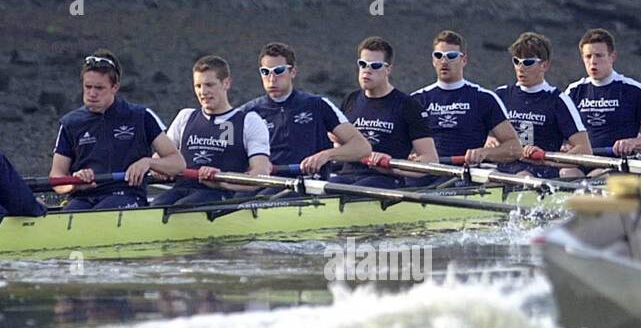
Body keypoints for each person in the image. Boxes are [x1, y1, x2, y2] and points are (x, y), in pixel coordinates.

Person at [50, 50, 185, 211]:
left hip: (126, 194)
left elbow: (178, 163)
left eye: (99, 88)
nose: (92, 93)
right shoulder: (70, 123)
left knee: (102, 212)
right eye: (88, 87)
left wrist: (148, 162)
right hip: (83, 197)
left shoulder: (140, 116)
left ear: (115, 87)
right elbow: (56, 177)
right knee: (72, 211)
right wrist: (74, 183)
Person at [152, 55, 272, 206]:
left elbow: (261, 174)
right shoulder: (185, 117)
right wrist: (156, 164)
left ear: (226, 83)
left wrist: (222, 181)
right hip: (183, 188)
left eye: (210, 85)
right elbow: (162, 157)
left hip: (221, 193)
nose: (203, 92)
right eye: (198, 86)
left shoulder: (249, 121)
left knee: (182, 208)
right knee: (155, 205)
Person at [238, 42, 371, 174]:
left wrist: (326, 155)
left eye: (279, 71)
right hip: (266, 181)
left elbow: (362, 147)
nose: (272, 79)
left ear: (293, 72)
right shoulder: (247, 112)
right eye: (265, 72)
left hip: (308, 183)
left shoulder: (318, 105)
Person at [335, 36, 439, 188]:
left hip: (385, 179)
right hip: (347, 175)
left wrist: (391, 165)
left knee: (357, 189)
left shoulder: (408, 106)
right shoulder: (350, 100)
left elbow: (430, 160)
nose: (367, 71)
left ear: (388, 69)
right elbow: (338, 145)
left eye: (375, 65)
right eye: (363, 64)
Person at [411, 30, 522, 165]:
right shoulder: (416, 100)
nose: (444, 61)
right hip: (425, 174)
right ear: (433, 60)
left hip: (465, 176)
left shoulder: (483, 98)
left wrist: (484, 153)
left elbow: (515, 147)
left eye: (451, 56)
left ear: (464, 60)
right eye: (439, 55)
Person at [491, 31, 589, 179]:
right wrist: (488, 140)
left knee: (523, 176)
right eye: (516, 61)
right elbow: (479, 135)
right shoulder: (501, 95)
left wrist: (545, 157)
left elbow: (585, 150)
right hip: (505, 168)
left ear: (544, 65)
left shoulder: (558, 100)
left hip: (542, 171)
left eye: (528, 62)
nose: (520, 68)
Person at [565, 28, 641, 157]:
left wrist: (633, 143)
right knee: (566, 173)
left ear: (612, 57)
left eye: (599, 55)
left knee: (595, 176)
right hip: (581, 160)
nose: (593, 62)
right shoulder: (573, 91)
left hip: (615, 164)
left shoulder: (635, 91)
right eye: (588, 56)